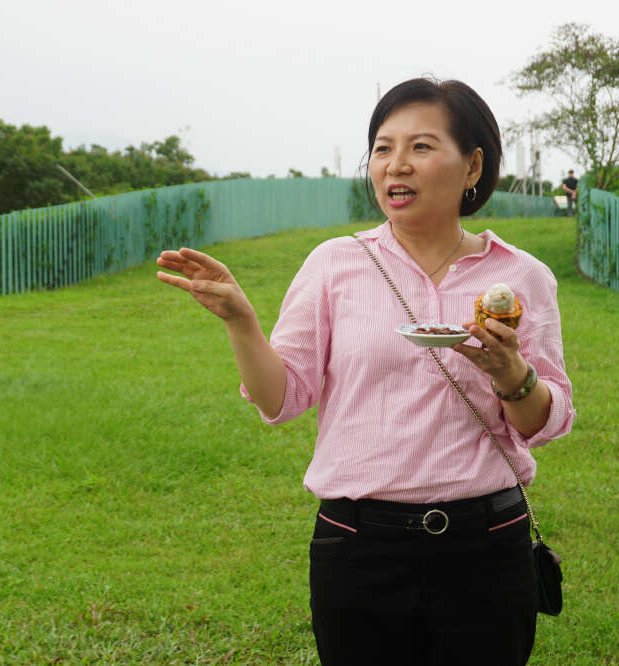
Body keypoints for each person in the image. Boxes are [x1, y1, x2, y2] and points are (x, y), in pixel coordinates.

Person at [156, 78, 574, 665]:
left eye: (421, 146)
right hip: (357, 547)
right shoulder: (335, 264)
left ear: (473, 165)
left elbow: (544, 422)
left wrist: (512, 374)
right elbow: (281, 399)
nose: (395, 164)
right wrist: (241, 322)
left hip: (487, 545)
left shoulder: (520, 276)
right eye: (382, 148)